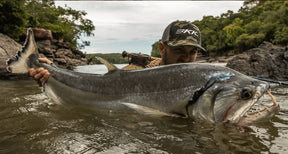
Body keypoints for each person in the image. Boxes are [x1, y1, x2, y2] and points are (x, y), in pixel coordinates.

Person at [28, 20, 206, 83]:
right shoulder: (134, 74)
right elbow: (98, 86)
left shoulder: (202, 80)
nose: (186, 58)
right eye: (179, 50)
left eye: (193, 52)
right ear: (162, 48)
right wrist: (53, 73)